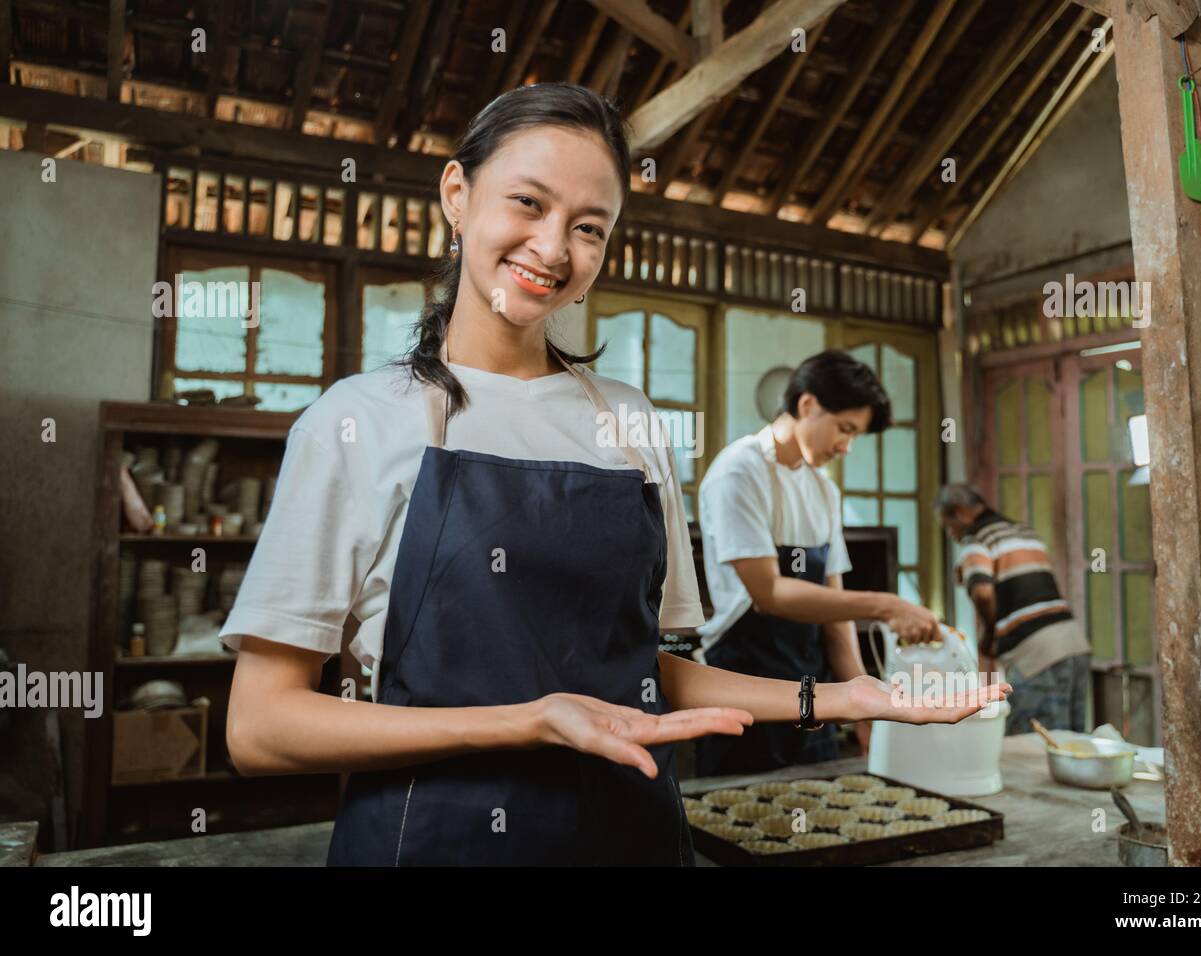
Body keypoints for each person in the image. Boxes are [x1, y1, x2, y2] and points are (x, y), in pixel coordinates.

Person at [222, 83, 1010, 866]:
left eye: (588, 228)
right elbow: (261, 727)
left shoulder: (631, 423)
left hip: (632, 840)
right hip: (434, 842)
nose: (555, 249)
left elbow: (644, 672)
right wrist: (529, 721)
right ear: (457, 195)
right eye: (528, 203)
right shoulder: (355, 422)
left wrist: (840, 698)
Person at [692, 351, 946, 777]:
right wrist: (886, 605)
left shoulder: (824, 491)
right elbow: (770, 594)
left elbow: (834, 609)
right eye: (845, 429)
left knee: (820, 806)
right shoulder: (739, 472)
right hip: (745, 678)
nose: (846, 447)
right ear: (807, 405)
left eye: (856, 436)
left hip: (813, 685)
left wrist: (866, 701)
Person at [935, 483, 1090, 734]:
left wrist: (990, 631)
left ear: (959, 512)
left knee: (1035, 745)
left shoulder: (976, 540)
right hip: (1072, 644)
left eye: (948, 526)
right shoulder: (1026, 533)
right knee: (1069, 745)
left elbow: (983, 592)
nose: (951, 535)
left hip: (1035, 656)